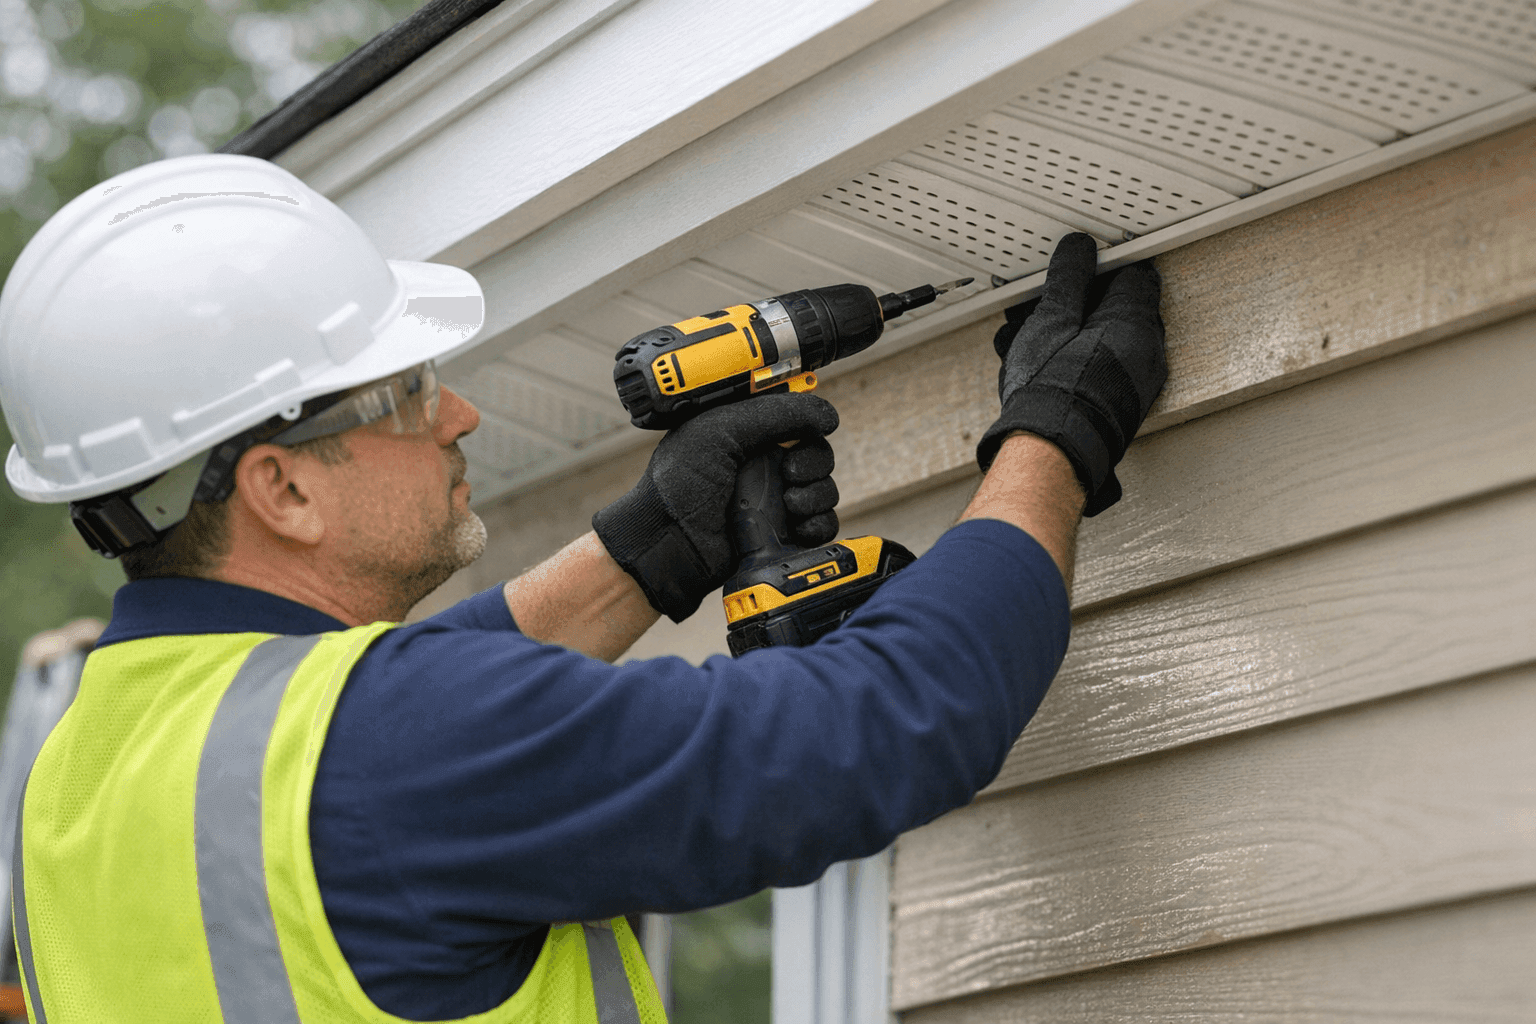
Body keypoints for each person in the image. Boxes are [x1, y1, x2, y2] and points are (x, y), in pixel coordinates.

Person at [0, 154, 1164, 1023]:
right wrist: (1052, 437)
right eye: (407, 393)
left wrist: (640, 553)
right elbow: (876, 727)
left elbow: (390, 727)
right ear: (283, 488)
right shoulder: (397, 744)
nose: (458, 414)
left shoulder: (76, 777)